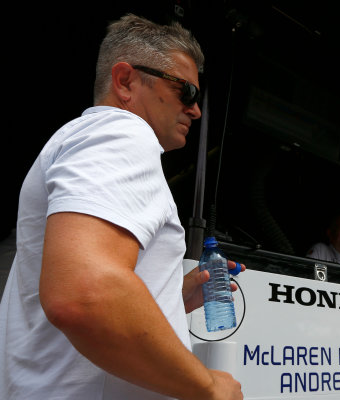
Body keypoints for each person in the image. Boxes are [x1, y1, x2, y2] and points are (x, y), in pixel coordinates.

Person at [0, 14, 244, 400]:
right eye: (187, 91)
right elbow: (84, 294)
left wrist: (169, 297)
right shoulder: (122, 132)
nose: (195, 110)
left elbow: (78, 290)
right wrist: (208, 386)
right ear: (126, 80)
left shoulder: (84, 139)